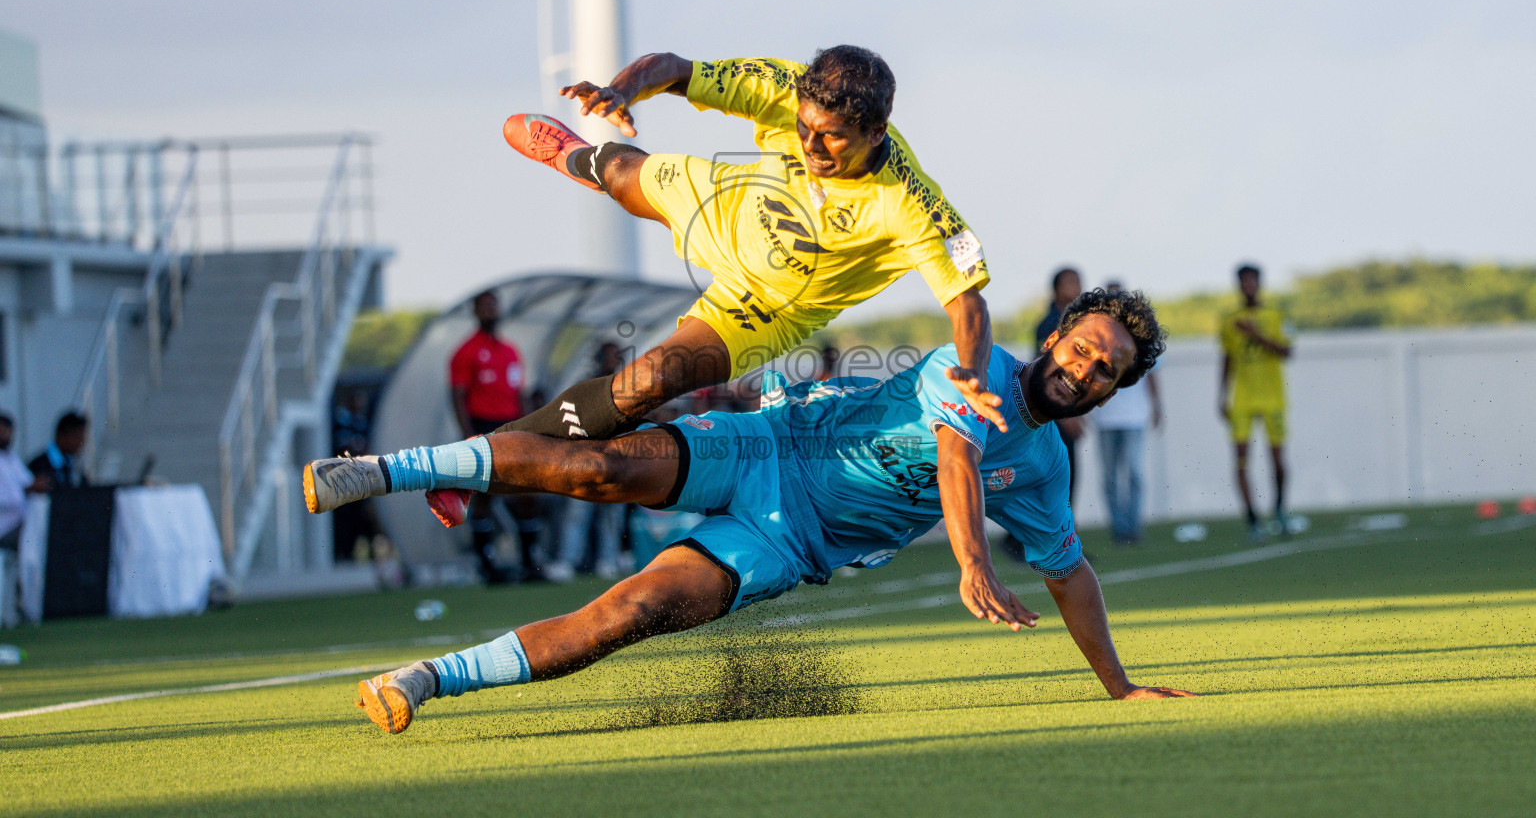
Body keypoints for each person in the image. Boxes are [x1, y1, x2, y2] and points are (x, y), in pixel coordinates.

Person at [302, 288, 1194, 734]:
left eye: (1105, 367)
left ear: (1111, 391)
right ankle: (383, 470)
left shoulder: (1041, 467)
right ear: (1055, 337)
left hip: (787, 541)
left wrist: (1117, 684)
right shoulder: (982, 368)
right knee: (598, 470)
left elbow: (1071, 575)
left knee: (631, 614)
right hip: (769, 447)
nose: (1085, 366)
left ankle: (423, 679)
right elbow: (956, 453)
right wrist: (970, 561)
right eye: (1083, 345)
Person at [425, 47, 999, 530]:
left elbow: (966, 301)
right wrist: (622, 90)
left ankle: (473, 467)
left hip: (767, 305)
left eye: (833, 138)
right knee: (622, 177)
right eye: (803, 129)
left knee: (644, 383)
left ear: (876, 132)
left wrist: (970, 374)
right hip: (730, 206)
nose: (812, 147)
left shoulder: (912, 204)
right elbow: (673, 67)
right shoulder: (784, 85)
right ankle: (580, 154)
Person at [448, 290, 527, 582]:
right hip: (482, 427)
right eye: (486, 306)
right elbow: (457, 396)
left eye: (495, 304)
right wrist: (469, 436)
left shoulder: (510, 351)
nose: (492, 310)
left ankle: (530, 562)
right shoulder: (465, 351)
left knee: (526, 490)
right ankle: (486, 564)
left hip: (511, 426)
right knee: (483, 495)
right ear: (476, 311)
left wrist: (532, 426)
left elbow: (521, 394)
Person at [545, 342, 631, 583]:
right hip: (586, 458)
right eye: (609, 356)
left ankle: (607, 560)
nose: (613, 360)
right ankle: (567, 561)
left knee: (611, 516)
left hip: (616, 459)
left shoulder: (626, 386)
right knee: (578, 513)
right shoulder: (586, 386)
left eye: (616, 356)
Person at [1218, 263, 1293, 540]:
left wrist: (1254, 333)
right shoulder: (1229, 319)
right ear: (1238, 285)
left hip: (1273, 396)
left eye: (1253, 281)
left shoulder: (1275, 314)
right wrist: (1221, 394)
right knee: (1240, 461)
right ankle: (1252, 520)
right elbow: (1226, 357)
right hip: (1242, 398)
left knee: (1278, 460)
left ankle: (1280, 510)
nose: (1248, 286)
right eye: (1244, 281)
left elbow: (1286, 350)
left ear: (1259, 283)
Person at [1093, 281, 1162, 544]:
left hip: (1134, 416)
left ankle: (1132, 526)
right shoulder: (1096, 332)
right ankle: (1119, 528)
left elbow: (1152, 373)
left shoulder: (1139, 331)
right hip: (1105, 416)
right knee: (1110, 476)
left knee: (1133, 473)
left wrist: (1156, 406)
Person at [1035, 268, 1086, 508]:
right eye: (1071, 282)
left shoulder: (1076, 323)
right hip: (1053, 414)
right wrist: (1064, 415)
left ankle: (1063, 538)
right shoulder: (1049, 325)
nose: (1077, 286)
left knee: (1067, 476)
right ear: (1056, 288)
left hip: (1065, 410)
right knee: (1058, 476)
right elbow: (1046, 373)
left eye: (1078, 281)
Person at [0, 413, 35, 552]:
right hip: (5, 528)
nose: (6, 436)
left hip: (21, 523)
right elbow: (12, 500)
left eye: (8, 432)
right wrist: (30, 489)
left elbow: (28, 482)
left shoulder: (10, 457)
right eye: (2, 432)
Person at [27, 412, 89, 491]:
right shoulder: (39, 466)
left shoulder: (73, 465)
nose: (82, 443)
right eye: (78, 437)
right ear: (63, 436)